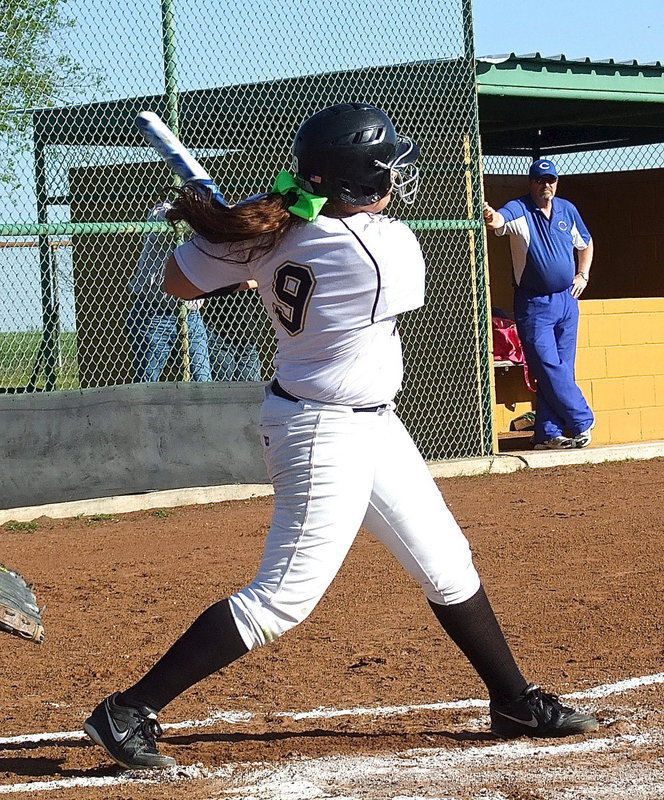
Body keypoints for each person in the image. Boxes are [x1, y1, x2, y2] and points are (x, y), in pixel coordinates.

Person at [84, 104, 598, 770]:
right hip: (322, 434)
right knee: (283, 598)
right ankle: (127, 710)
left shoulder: (277, 225)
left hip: (369, 424)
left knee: (446, 561)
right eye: (389, 170)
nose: (398, 180)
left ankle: (512, 699)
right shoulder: (383, 247)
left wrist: (243, 246)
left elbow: (179, 282)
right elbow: (330, 244)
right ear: (364, 180)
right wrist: (263, 243)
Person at [483, 159, 595, 450]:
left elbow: (585, 243)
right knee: (547, 365)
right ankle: (582, 419)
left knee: (563, 368)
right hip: (534, 303)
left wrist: (582, 274)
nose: (547, 185)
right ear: (531, 183)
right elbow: (499, 221)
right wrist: (490, 215)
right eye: (540, 180)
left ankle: (547, 433)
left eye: (551, 180)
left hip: (567, 301)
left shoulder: (567, 209)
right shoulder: (519, 208)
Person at [126, 202, 212, 382]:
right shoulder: (161, 212)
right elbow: (169, 215)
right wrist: (202, 217)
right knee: (148, 381)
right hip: (154, 313)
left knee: (203, 379)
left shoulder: (208, 226)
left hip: (191, 315)